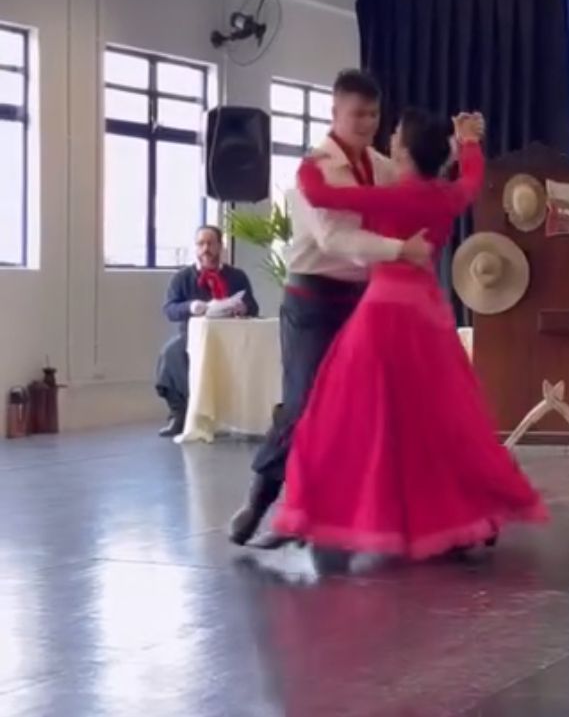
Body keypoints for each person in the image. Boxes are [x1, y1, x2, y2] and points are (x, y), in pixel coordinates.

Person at [271, 109, 547, 566]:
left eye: (397, 134)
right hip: (428, 315)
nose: (391, 137)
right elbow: (472, 180)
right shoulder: (444, 197)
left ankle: (360, 513)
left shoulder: (390, 197)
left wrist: (307, 164)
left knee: (354, 417)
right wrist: (469, 142)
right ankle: (449, 516)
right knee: (437, 420)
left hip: (383, 315)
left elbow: (319, 194)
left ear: (403, 150)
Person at [228, 69, 433, 547]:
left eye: (373, 114)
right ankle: (261, 499)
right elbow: (334, 238)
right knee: (304, 403)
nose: (366, 123)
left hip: (364, 300)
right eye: (357, 114)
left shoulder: (380, 167)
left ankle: (331, 515)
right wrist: (400, 250)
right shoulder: (315, 171)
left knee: (369, 406)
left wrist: (454, 158)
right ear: (334, 112)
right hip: (313, 300)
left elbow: (414, 196)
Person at [154, 225, 258, 438]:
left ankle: (244, 415)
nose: (205, 249)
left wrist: (243, 307)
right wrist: (190, 306)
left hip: (231, 338)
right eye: (200, 244)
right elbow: (169, 309)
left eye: (210, 243)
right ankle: (180, 414)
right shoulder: (182, 277)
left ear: (220, 246)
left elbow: (253, 306)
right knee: (170, 354)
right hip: (192, 337)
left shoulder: (237, 276)